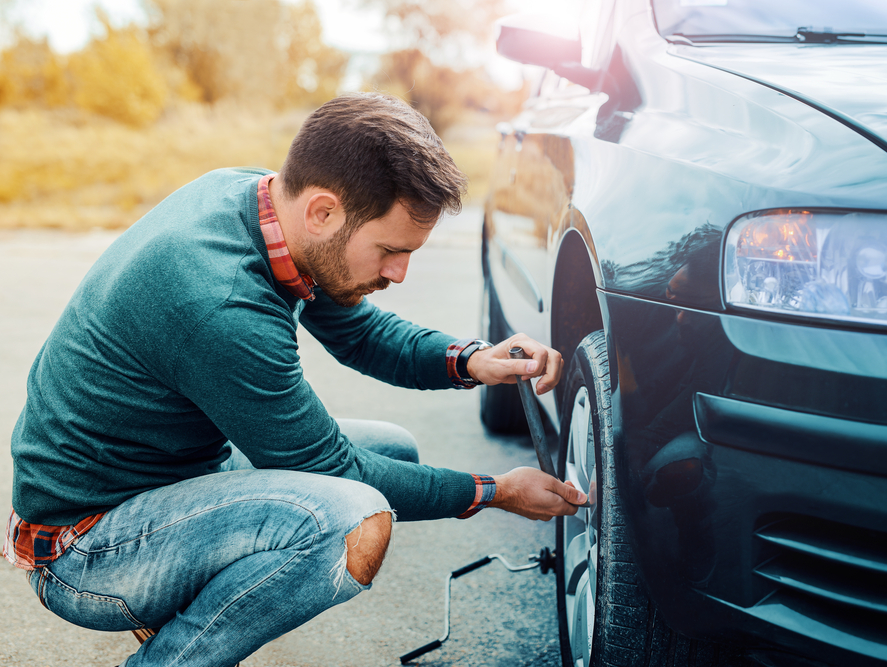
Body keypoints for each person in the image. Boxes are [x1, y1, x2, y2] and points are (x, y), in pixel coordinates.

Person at [2, 93, 586, 667]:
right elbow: (331, 469)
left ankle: (191, 598)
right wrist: (496, 492)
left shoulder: (259, 199)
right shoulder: (222, 304)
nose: (400, 273)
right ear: (324, 212)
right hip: (85, 547)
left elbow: (360, 334)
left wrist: (473, 359)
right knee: (349, 518)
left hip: (167, 478)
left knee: (395, 454)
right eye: (389, 250)